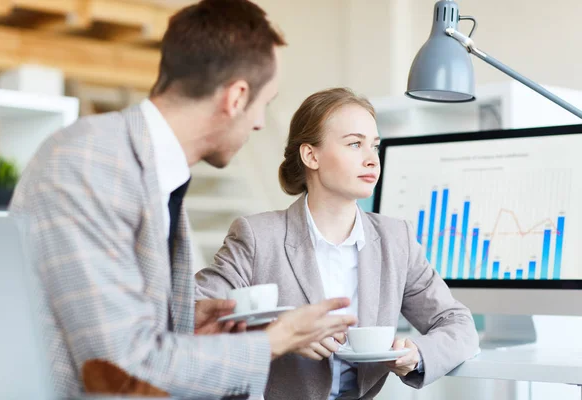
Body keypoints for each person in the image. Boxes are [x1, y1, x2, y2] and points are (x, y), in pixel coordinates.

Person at [8, 1, 357, 399]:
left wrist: (182, 325)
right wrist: (276, 340)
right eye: (265, 103)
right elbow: (122, 364)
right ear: (236, 97)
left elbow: (107, 324)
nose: (260, 122)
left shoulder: (151, 169)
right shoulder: (90, 163)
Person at [195, 87, 480, 399]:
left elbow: (458, 324)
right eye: (355, 144)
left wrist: (417, 353)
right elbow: (189, 314)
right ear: (311, 155)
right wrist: (278, 334)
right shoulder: (258, 236)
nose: (372, 160)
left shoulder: (396, 239)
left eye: (375, 146)